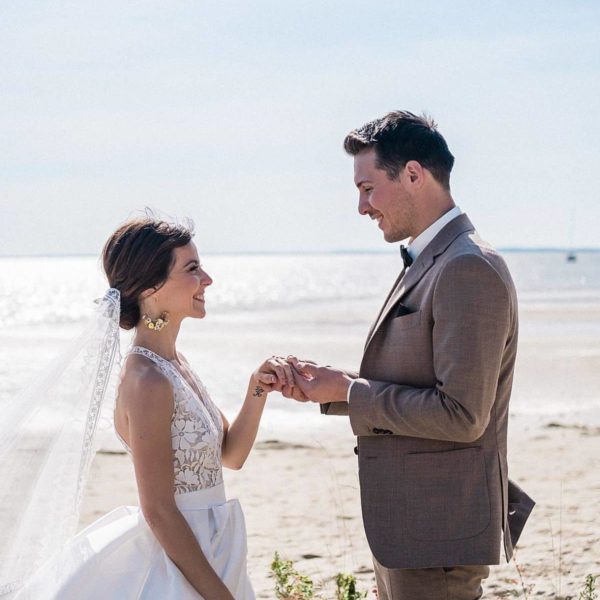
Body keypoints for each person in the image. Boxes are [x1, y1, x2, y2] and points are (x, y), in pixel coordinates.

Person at [283, 111, 535, 600]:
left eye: (368, 188)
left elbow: (463, 415)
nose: (361, 207)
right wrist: (333, 387)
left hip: (436, 535)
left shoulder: (468, 267)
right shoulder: (433, 258)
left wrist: (351, 391)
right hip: (409, 532)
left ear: (414, 174)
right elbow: (420, 381)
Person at [7, 217, 290, 600]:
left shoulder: (176, 365)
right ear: (151, 286)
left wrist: (258, 388)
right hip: (177, 559)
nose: (207, 279)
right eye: (192, 269)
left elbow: (231, 455)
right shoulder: (146, 380)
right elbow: (158, 509)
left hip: (215, 542)